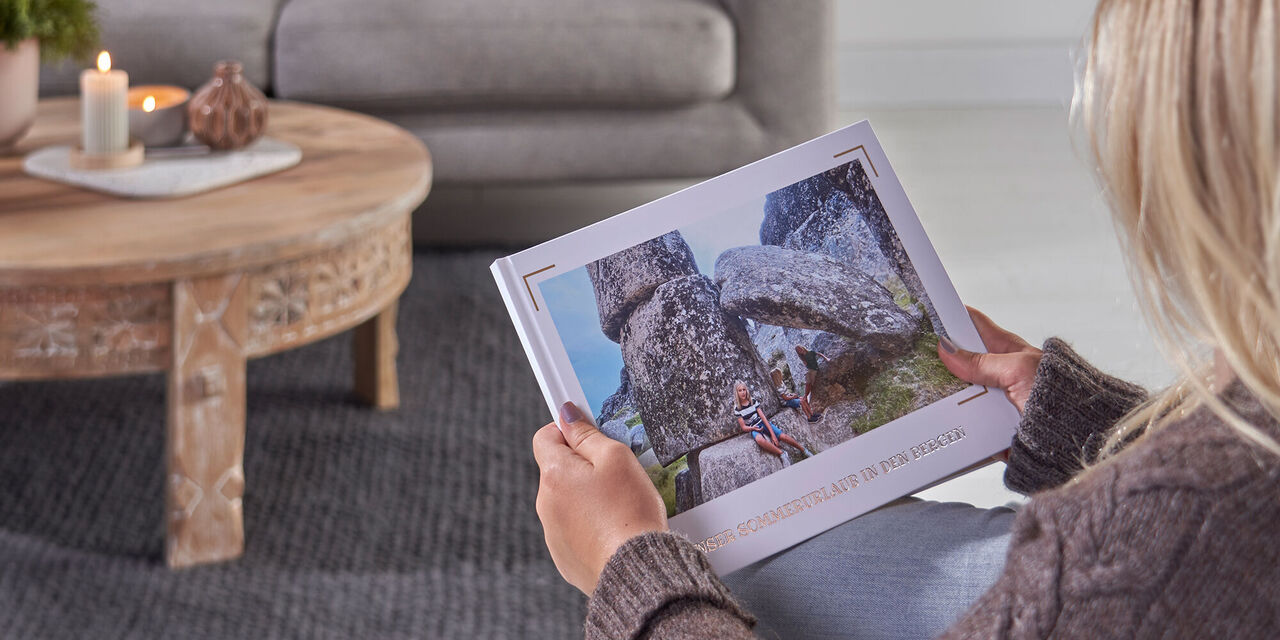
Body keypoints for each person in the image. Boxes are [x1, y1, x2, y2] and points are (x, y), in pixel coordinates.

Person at [528, 1, 1280, 637]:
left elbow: (1173, 549)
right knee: (765, 554)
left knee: (725, 567)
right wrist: (1087, 425)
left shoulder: (1159, 547)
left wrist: (630, 565)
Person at [730, 381, 814, 457]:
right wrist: (752, 428)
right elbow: (744, 427)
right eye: (740, 390)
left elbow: (763, 417)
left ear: (746, 390)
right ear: (736, 393)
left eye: (744, 389)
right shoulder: (737, 408)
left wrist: (773, 435)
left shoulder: (753, 401)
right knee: (759, 440)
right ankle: (782, 453)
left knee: (782, 436)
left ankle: (803, 450)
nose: (742, 392)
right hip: (753, 428)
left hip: (762, 422)